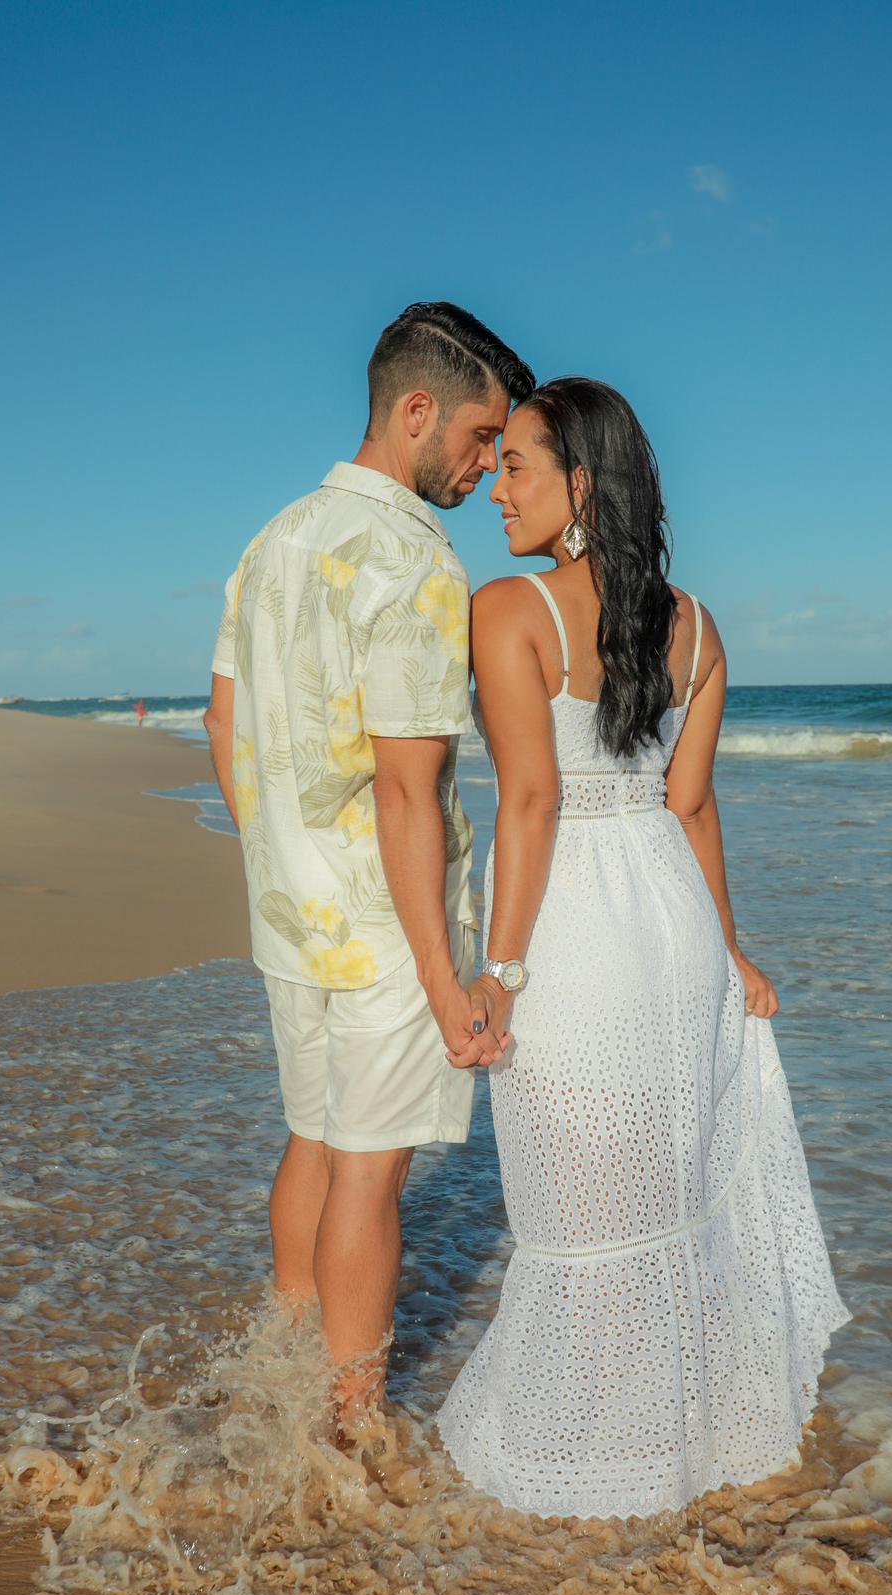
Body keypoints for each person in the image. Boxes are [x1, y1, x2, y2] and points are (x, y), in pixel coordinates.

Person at [438, 378, 850, 1519]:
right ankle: (678, 1435)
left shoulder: (511, 608)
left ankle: (591, 1458)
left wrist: (499, 972)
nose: (496, 488)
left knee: (577, 1202)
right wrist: (730, 951)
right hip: (668, 924)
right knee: (656, 1180)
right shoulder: (698, 623)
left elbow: (530, 802)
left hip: (574, 925)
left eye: (515, 465)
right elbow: (693, 806)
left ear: (578, 485)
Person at [204, 303, 534, 1422]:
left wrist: (275, 850)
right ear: (415, 412)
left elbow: (221, 719)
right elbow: (407, 788)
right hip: (388, 923)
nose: (488, 463)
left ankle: (284, 1358)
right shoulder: (413, 561)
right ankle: (350, 1427)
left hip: (288, 905)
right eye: (482, 437)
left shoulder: (274, 536)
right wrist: (448, 985)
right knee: (371, 1169)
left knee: (312, 1137)